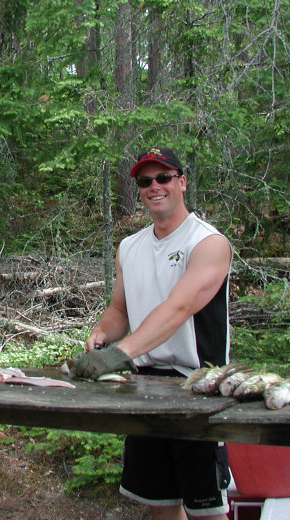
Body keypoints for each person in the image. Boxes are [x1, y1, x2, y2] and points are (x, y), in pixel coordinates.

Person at [71, 147, 232, 520]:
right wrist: (100, 334)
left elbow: (178, 309)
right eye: (145, 181)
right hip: (142, 387)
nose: (154, 186)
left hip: (197, 389)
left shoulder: (208, 243)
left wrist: (117, 354)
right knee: (160, 506)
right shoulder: (129, 246)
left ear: (182, 182)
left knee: (207, 511)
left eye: (163, 177)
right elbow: (119, 310)